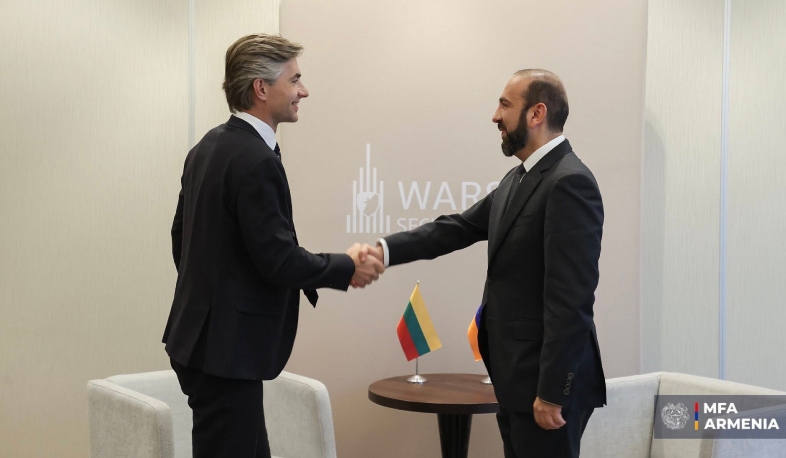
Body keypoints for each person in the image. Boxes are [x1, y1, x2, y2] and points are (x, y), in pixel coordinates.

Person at [163, 33, 384, 458]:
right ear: (261, 89)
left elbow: (181, 240)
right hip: (227, 353)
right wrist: (347, 265)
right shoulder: (256, 160)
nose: (304, 91)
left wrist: (215, 298)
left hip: (205, 344)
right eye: (294, 80)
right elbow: (278, 259)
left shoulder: (206, 147)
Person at [369, 69, 605, 458]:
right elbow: (456, 229)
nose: (495, 116)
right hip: (515, 380)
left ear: (536, 113)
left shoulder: (570, 182)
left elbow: (571, 301)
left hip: (546, 389)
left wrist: (552, 392)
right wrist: (383, 251)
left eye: (505, 105)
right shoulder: (517, 179)